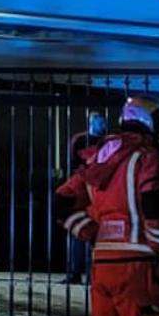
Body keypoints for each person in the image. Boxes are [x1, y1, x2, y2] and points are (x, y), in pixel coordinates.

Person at [55, 96, 159, 316]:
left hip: (103, 264)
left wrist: (92, 233)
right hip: (139, 267)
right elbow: (154, 202)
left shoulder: (98, 157)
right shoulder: (146, 157)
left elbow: (62, 201)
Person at [66, 112, 108, 284]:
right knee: (78, 231)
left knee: (95, 233)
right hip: (84, 190)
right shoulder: (80, 140)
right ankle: (75, 272)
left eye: (103, 122)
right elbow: (73, 164)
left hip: (99, 191)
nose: (102, 125)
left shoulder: (107, 142)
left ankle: (91, 274)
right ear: (91, 122)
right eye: (99, 122)